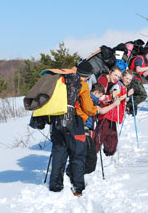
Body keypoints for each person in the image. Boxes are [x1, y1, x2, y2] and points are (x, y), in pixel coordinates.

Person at [49, 61, 120, 197]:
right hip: (75, 122)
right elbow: (88, 107)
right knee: (78, 155)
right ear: (87, 76)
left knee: (59, 152)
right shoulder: (81, 85)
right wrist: (95, 110)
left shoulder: (61, 79)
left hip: (57, 120)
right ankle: (78, 187)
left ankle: (55, 186)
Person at [96, 70, 134, 156]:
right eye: (126, 78)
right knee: (101, 133)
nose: (128, 80)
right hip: (108, 113)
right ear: (122, 77)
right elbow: (115, 97)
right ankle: (93, 151)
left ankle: (109, 151)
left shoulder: (124, 87)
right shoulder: (117, 85)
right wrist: (127, 94)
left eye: (130, 79)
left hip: (113, 115)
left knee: (112, 135)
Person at [126, 48, 148, 115]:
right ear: (147, 54)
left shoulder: (143, 61)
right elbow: (138, 69)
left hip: (137, 79)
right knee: (143, 95)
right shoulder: (140, 59)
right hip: (133, 80)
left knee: (136, 99)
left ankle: (130, 111)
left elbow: (144, 74)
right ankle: (128, 104)